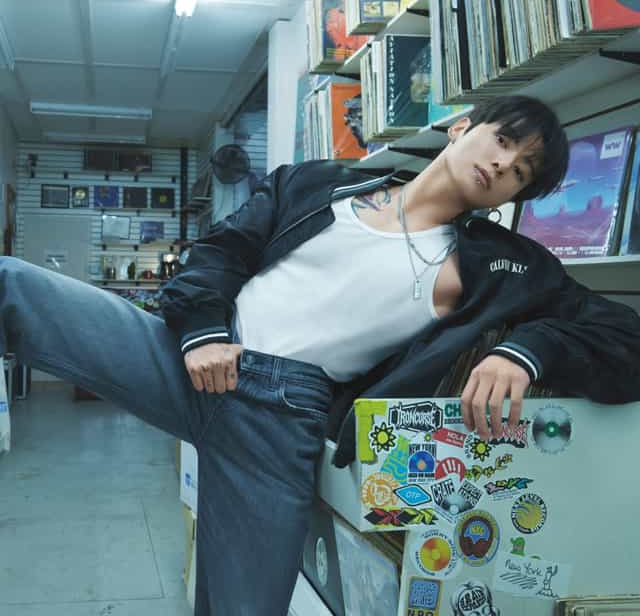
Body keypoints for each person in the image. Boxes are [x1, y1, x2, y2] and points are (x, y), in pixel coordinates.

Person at [1, 95, 639, 615]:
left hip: (278, 420)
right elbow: (220, 253)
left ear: (510, 199)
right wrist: (203, 331)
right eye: (502, 141)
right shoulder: (317, 184)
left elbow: (624, 337)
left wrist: (525, 351)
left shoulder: (505, 266)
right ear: (462, 128)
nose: (503, 165)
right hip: (191, 357)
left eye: (522, 172)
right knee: (15, 287)